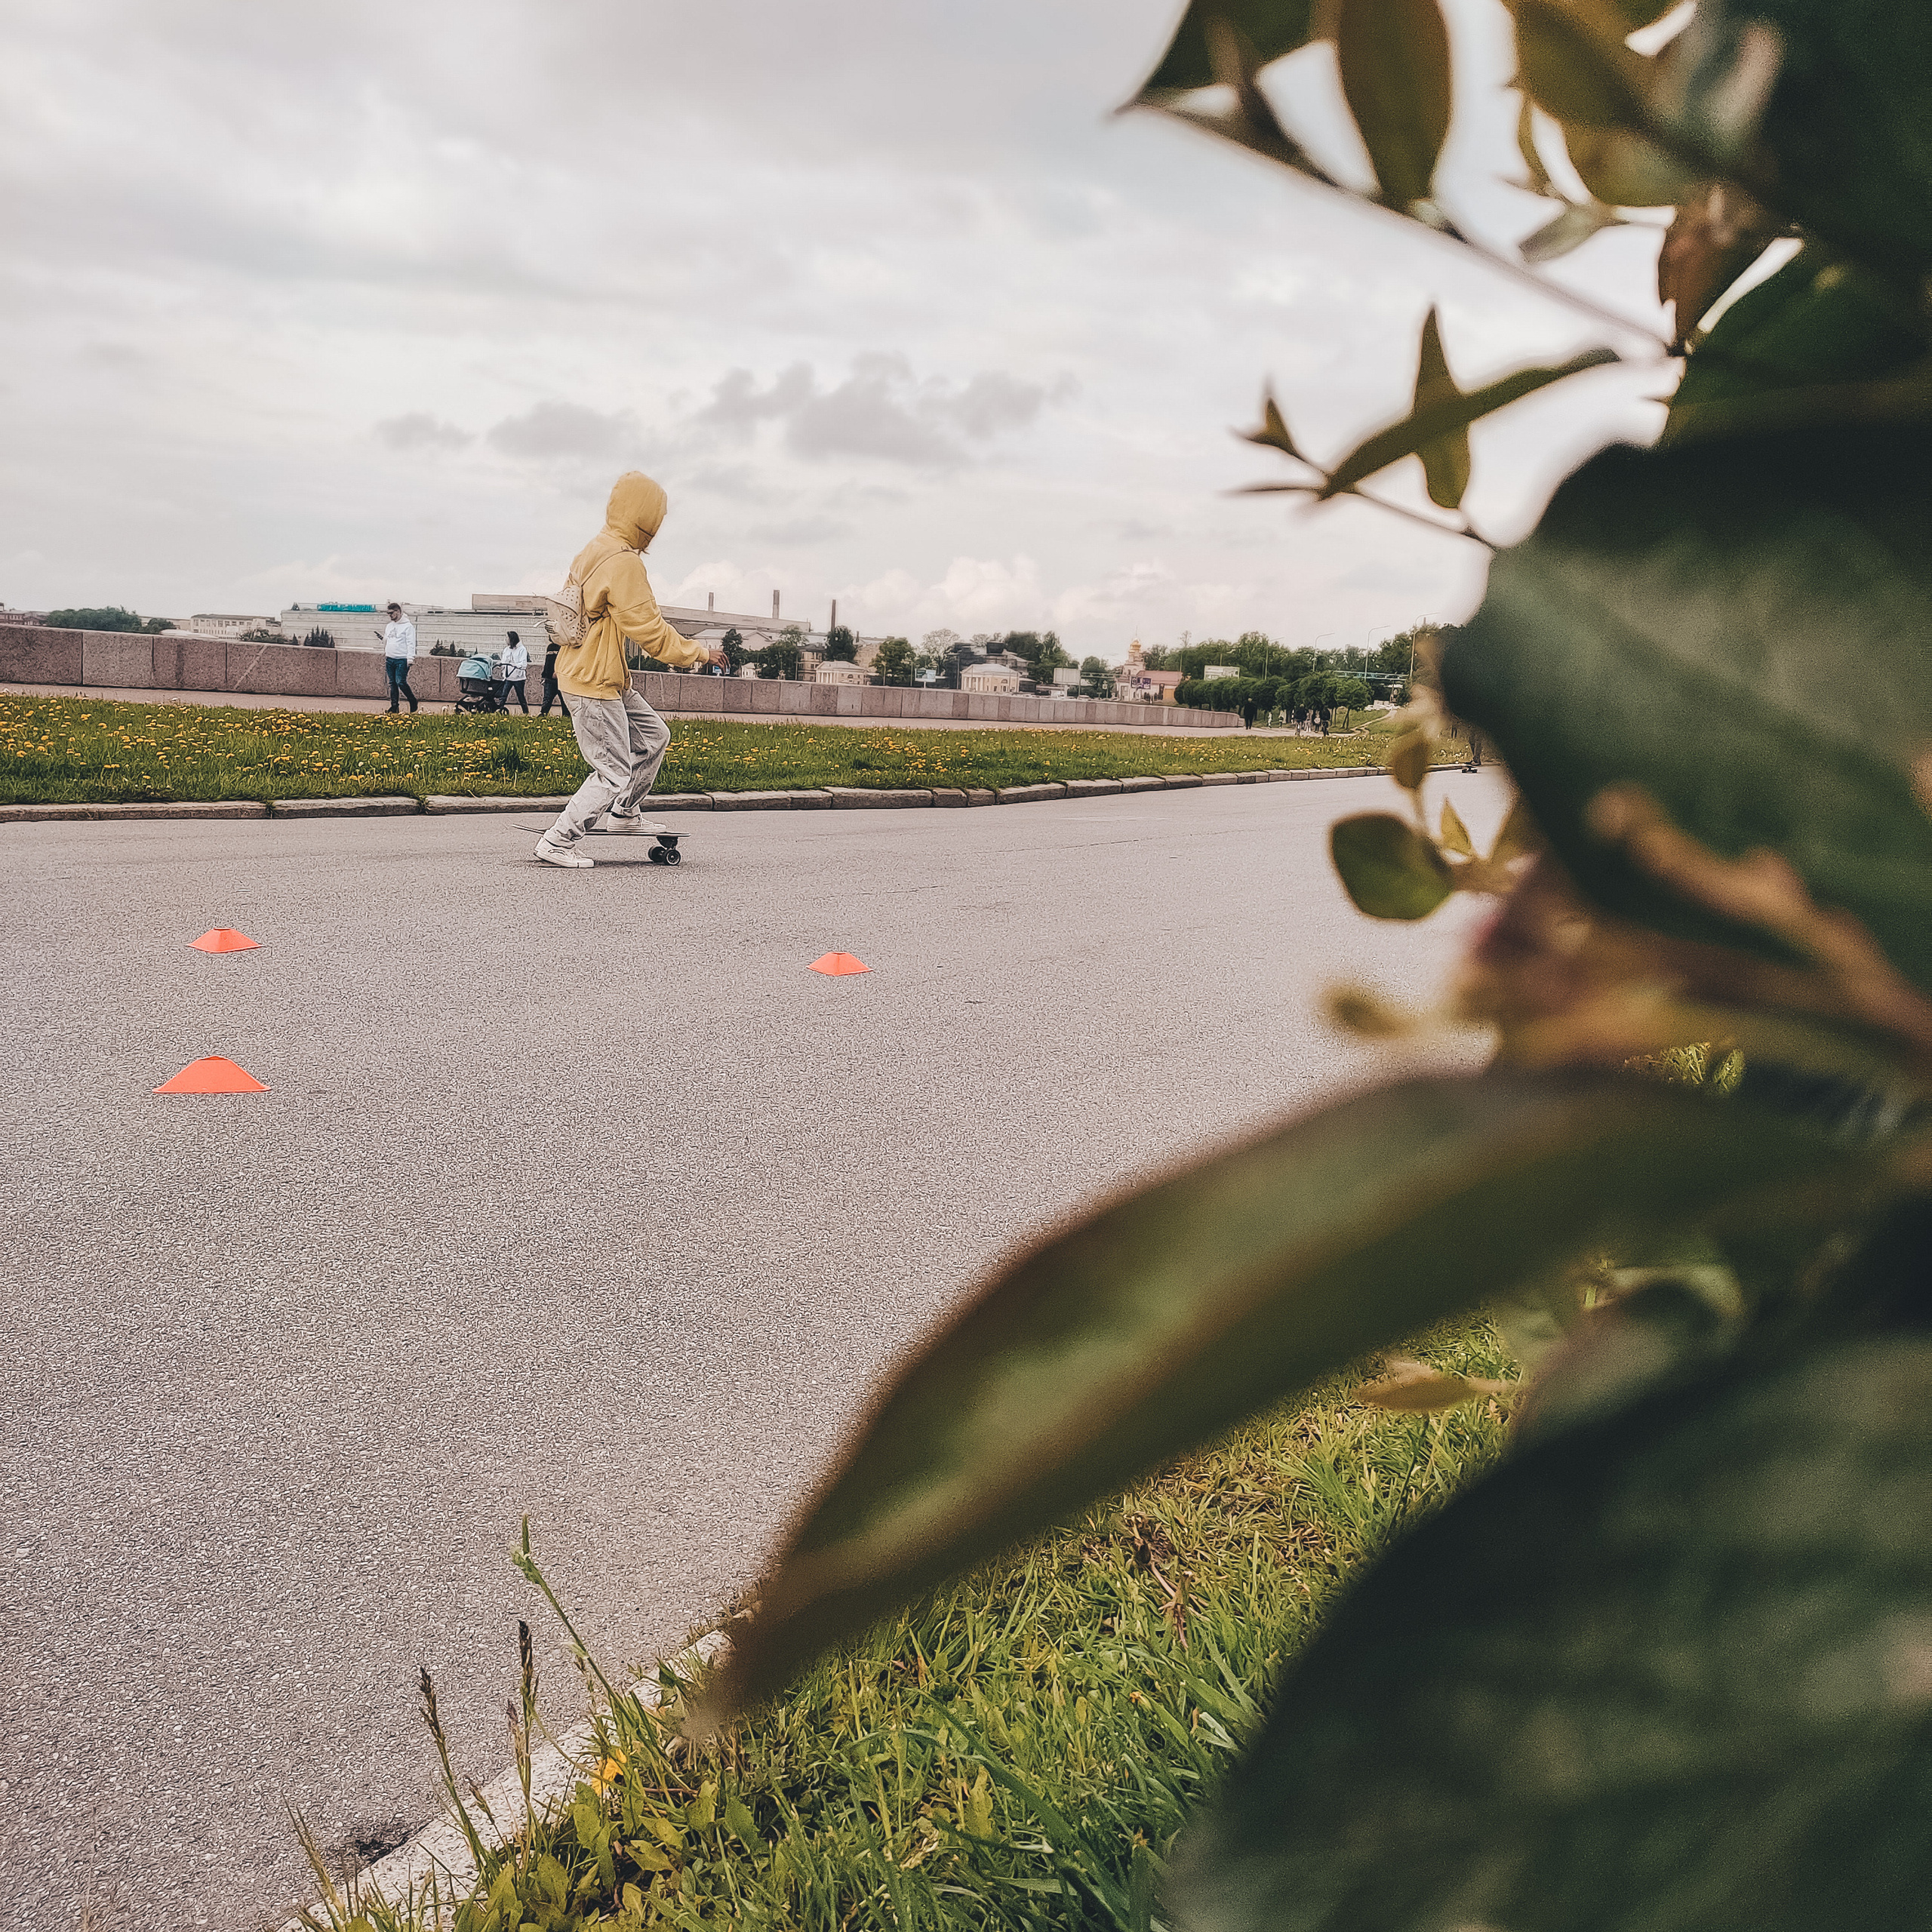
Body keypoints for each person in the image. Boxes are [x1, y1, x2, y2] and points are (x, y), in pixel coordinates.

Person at [534, 470, 726, 869]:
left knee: (655, 736)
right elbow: (651, 632)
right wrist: (701, 654)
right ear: (647, 520)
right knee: (612, 769)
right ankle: (558, 840)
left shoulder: (594, 548)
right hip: (593, 681)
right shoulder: (623, 564)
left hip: (602, 676)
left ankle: (624, 812)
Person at [374, 601, 417, 713]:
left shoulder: (408, 627)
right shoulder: (389, 626)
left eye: (391, 613)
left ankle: (412, 700)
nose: (390, 615)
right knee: (392, 683)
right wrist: (382, 639)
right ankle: (394, 706)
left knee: (400, 682)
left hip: (402, 658)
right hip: (390, 658)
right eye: (388, 613)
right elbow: (389, 640)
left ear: (398, 612)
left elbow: (411, 643)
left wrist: (410, 658)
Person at [499, 630, 530, 712]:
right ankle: (499, 709)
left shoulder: (522, 649)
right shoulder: (506, 650)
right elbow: (503, 662)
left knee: (520, 697)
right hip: (508, 677)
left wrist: (514, 665)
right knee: (503, 695)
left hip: (518, 678)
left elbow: (523, 664)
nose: (506, 639)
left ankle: (526, 712)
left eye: (507, 637)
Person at [540, 634, 569, 718]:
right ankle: (543, 715)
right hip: (549, 679)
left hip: (560, 679)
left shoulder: (564, 647)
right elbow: (548, 663)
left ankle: (566, 716)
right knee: (547, 699)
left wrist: (558, 672)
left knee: (564, 700)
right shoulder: (550, 647)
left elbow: (565, 662)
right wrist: (544, 675)